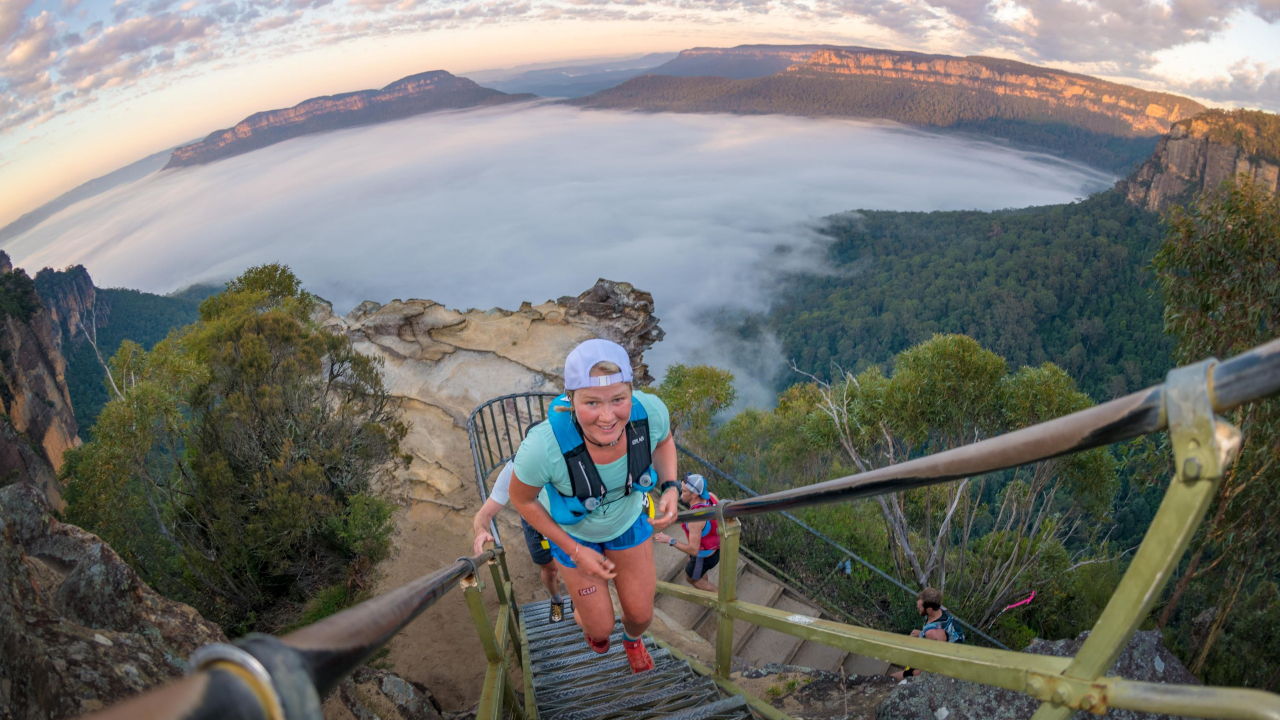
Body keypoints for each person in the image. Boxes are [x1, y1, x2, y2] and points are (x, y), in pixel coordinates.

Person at [509, 339, 680, 674]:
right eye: (591, 402)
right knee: (599, 630)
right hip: (574, 535)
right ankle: (588, 612)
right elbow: (522, 499)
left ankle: (632, 640)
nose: (607, 416)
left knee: (641, 615)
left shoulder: (650, 413)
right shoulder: (543, 448)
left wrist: (671, 485)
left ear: (632, 392)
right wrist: (574, 550)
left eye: (618, 399)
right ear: (571, 400)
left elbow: (665, 440)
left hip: (628, 521)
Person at [472, 461, 568, 622]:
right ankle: (557, 600)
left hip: (569, 523)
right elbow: (485, 513)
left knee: (577, 566)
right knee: (550, 570)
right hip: (536, 526)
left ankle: (580, 602)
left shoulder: (568, 457)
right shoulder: (516, 467)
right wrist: (480, 530)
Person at [653, 473, 720, 593]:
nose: (680, 493)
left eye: (683, 491)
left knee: (692, 579)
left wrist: (670, 540)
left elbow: (693, 550)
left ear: (694, 495)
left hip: (704, 555)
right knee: (694, 570)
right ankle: (705, 584)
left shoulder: (695, 519)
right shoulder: (711, 497)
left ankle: (720, 599)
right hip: (716, 547)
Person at [890, 587, 965, 680]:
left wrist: (920, 670)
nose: (918, 606)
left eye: (920, 606)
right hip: (945, 642)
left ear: (929, 610)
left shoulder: (931, 632)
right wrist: (921, 633)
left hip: (947, 661)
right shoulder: (940, 609)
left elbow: (937, 656)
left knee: (892, 678)